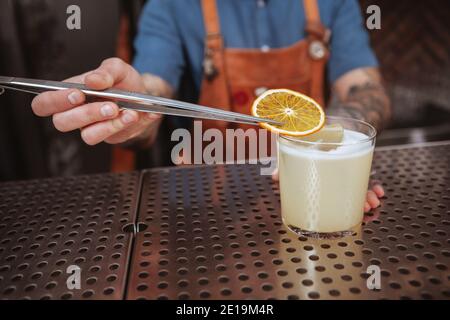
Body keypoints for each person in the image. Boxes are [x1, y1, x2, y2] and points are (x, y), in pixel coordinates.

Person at [30, 0, 391, 212]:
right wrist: (134, 109)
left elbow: (365, 89)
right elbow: (151, 88)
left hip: (309, 198)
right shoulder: (170, 6)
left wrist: (332, 156)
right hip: (210, 213)